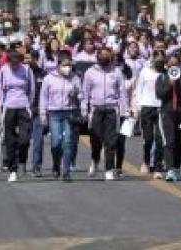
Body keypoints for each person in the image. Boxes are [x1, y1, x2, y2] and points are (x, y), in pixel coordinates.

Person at [81, 47, 127, 181]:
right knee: (96, 140)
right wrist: (84, 109)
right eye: (102, 56)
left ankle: (108, 169)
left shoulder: (116, 71)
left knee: (111, 141)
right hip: (96, 109)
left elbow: (122, 92)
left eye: (107, 56)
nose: (104, 58)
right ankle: (95, 161)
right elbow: (85, 93)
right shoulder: (90, 72)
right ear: (97, 57)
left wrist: (124, 110)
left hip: (112, 109)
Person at [0, 51, 34, 182]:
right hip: (8, 107)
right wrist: (0, 101)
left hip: (23, 106)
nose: (14, 65)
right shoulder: (3, 71)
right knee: (9, 139)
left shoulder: (26, 70)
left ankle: (22, 161)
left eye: (17, 62)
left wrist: (29, 104)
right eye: (12, 62)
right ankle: (12, 169)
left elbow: (31, 89)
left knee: (24, 139)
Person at [39, 52, 82, 182]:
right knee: (56, 143)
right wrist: (43, 114)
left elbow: (82, 95)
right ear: (58, 65)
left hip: (69, 112)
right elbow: (43, 97)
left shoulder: (75, 78)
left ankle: (66, 171)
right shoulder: (48, 78)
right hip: (54, 112)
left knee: (68, 142)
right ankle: (56, 165)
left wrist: (76, 96)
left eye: (69, 65)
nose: (67, 68)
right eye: (64, 65)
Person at [156, 53, 181, 182]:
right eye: (171, 63)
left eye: (176, 64)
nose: (173, 66)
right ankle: (169, 169)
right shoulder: (162, 78)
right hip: (167, 113)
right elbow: (160, 95)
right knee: (169, 142)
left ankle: (176, 168)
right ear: (167, 65)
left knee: (179, 143)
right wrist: (170, 84)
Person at [133, 53, 165, 178]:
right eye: (157, 62)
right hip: (146, 107)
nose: (159, 64)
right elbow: (139, 88)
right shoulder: (145, 72)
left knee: (159, 138)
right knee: (148, 138)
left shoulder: (164, 73)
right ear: (152, 61)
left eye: (162, 62)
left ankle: (157, 166)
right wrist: (138, 106)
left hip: (160, 107)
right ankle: (145, 162)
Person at [27, 52, 47, 177]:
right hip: (22, 109)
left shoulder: (43, 74)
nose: (26, 60)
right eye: (24, 58)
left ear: (35, 59)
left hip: (38, 109)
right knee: (22, 139)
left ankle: (36, 166)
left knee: (38, 139)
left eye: (28, 58)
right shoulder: (20, 73)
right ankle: (19, 163)